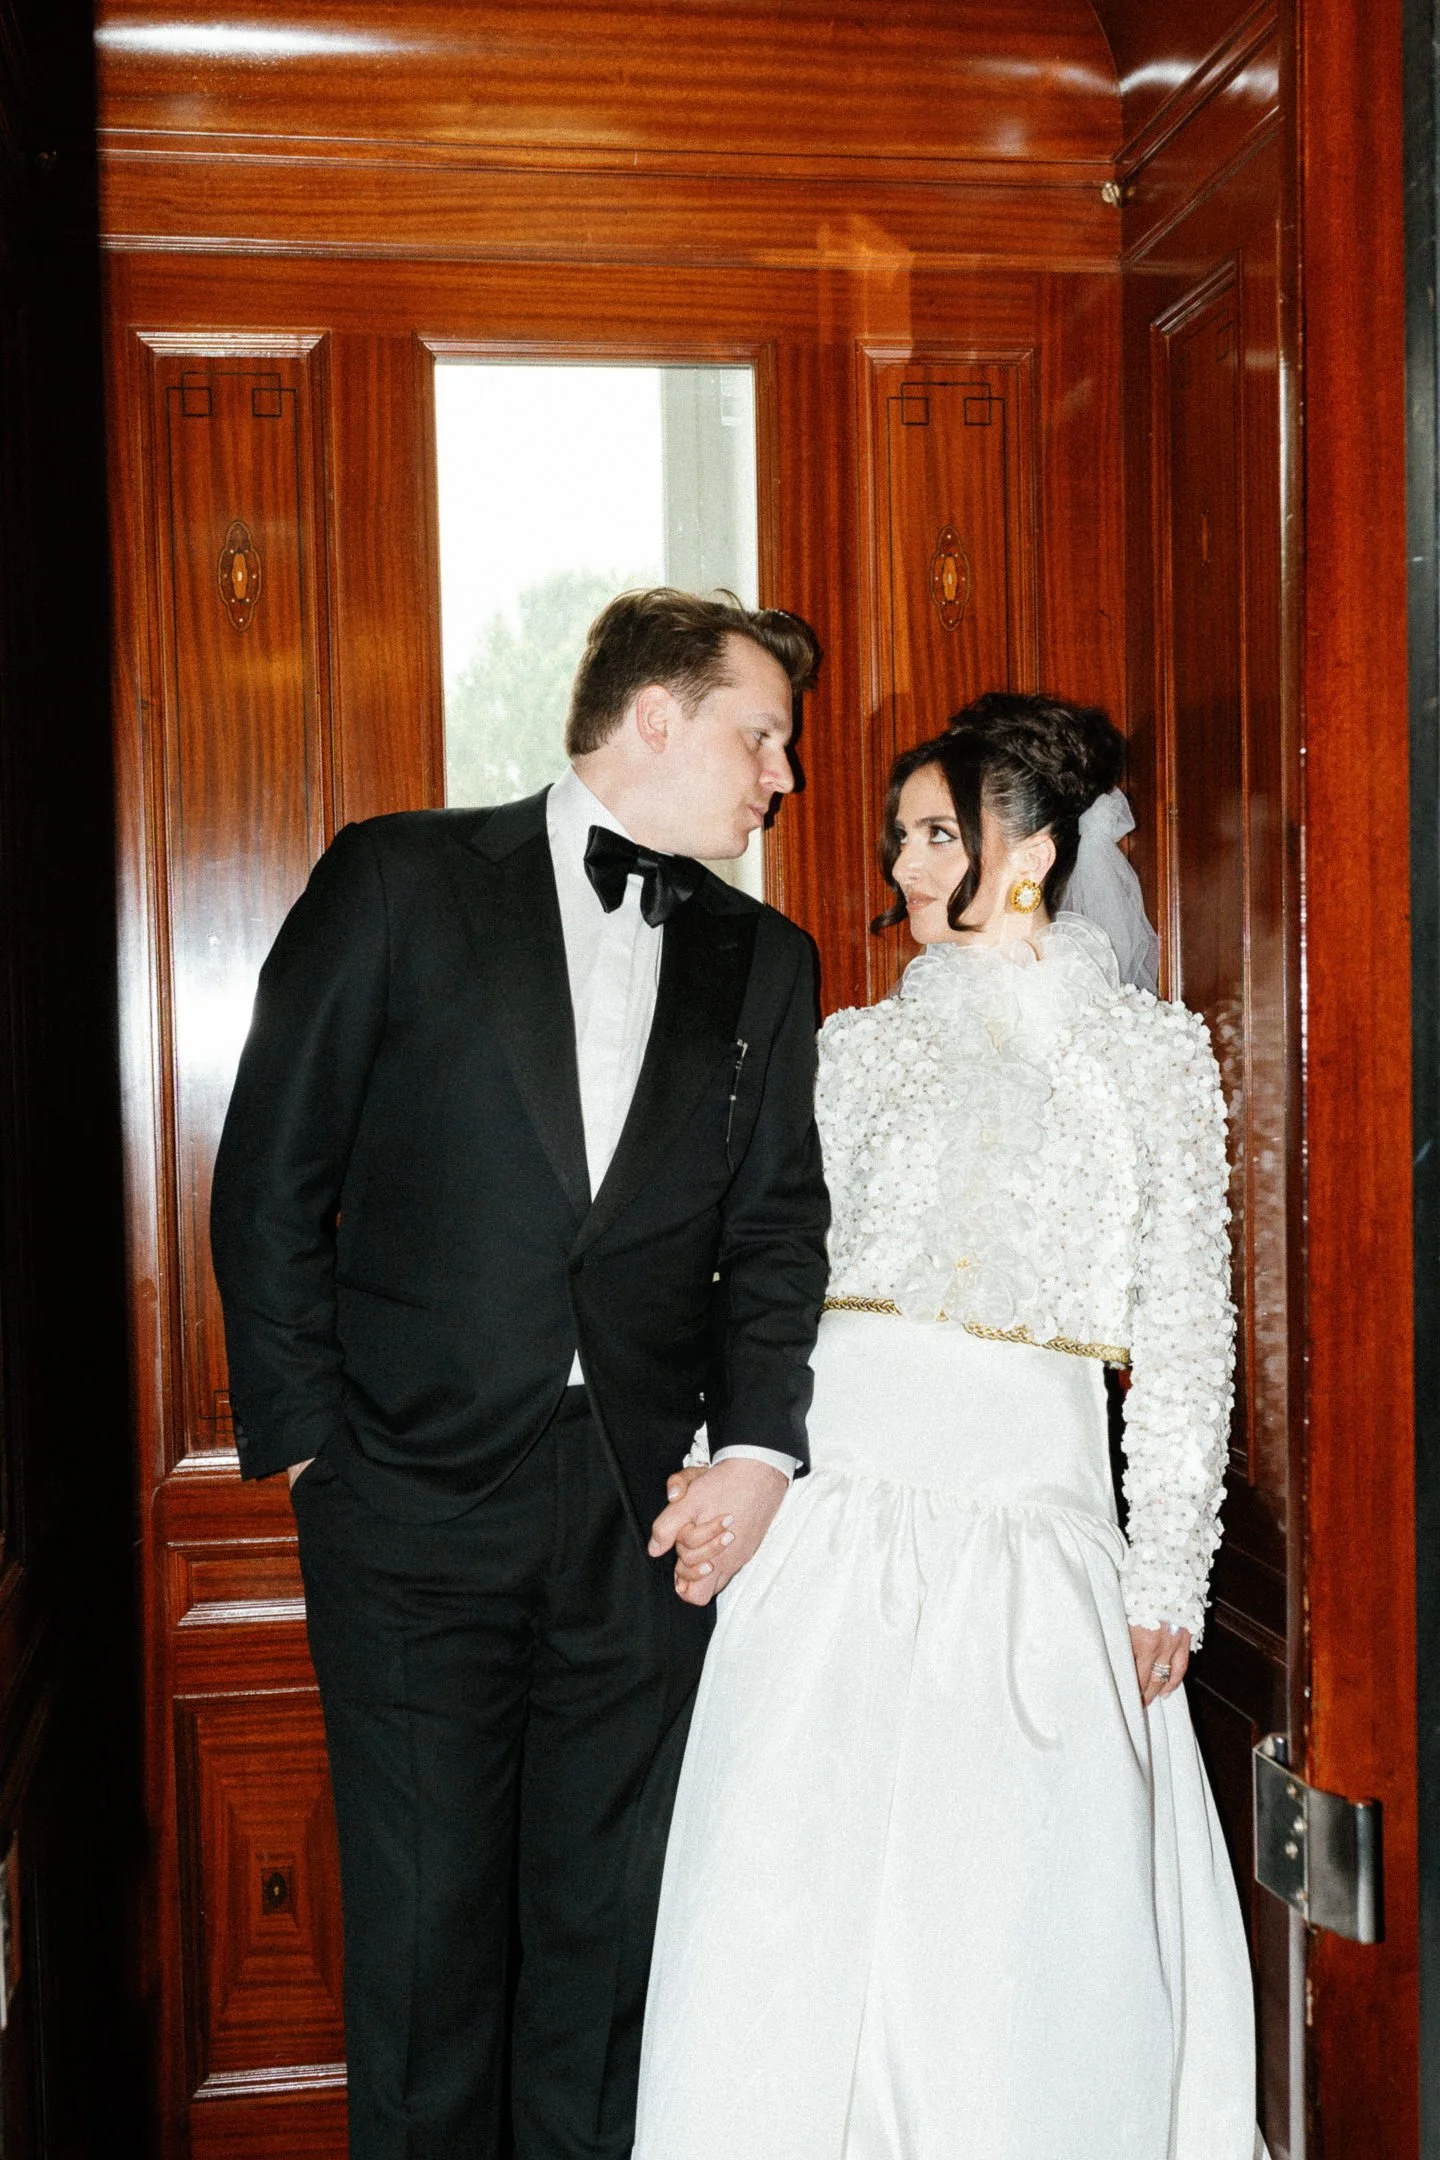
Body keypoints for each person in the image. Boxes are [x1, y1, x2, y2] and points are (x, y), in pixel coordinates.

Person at [209, 588, 831, 2160]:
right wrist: (315, 1455)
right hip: (407, 1512)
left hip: (641, 1527)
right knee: (423, 1964)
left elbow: (774, 1236)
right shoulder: (402, 879)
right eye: (764, 736)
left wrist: (757, 1453)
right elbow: (270, 1176)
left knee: (600, 1960)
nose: (784, 777)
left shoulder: (769, 962)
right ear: (658, 716)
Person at [637, 693, 1262, 2160]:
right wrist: (740, 1458)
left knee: (1012, 1925)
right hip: (842, 1516)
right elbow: (770, 1284)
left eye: (938, 835)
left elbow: (1185, 1326)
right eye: (902, 838)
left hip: (1034, 1527)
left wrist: (1169, 1564)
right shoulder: (853, 1049)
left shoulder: (1152, 1059)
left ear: (1033, 846)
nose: (905, 866)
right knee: (791, 1898)